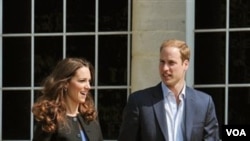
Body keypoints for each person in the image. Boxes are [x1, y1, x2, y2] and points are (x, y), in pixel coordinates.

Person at [118, 39, 220, 141]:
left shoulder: (204, 103)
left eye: (171, 63)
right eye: (162, 62)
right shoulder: (139, 102)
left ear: (185, 64)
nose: (165, 68)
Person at [32, 57, 103, 141]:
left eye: (89, 81)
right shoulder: (50, 120)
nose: (88, 86)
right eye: (82, 80)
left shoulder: (90, 117)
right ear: (65, 84)